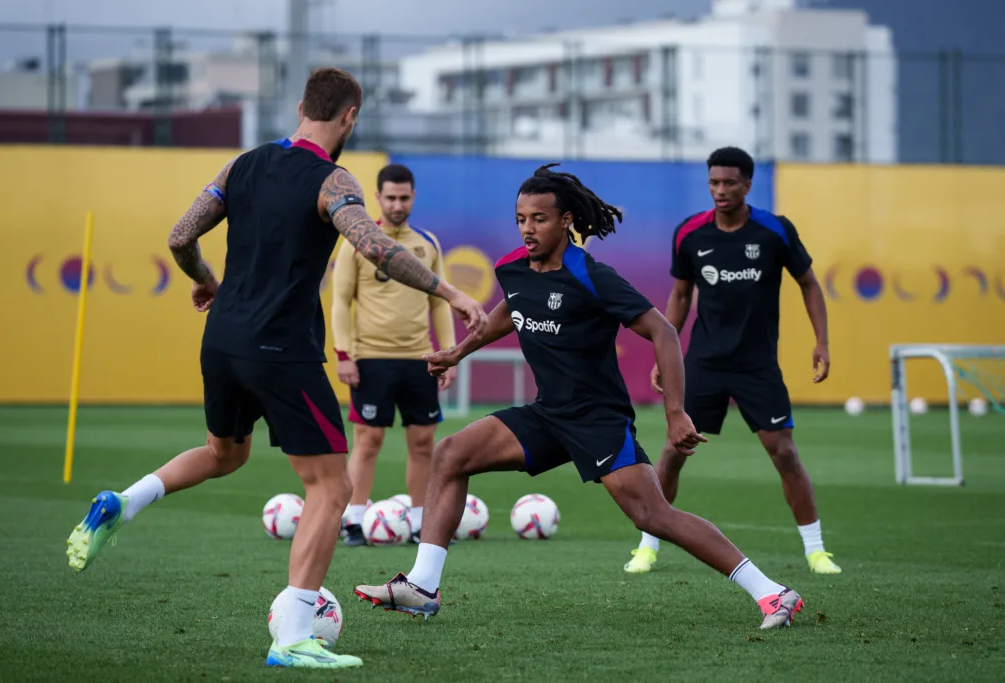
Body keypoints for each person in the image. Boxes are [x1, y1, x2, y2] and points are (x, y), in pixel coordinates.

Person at [64, 67, 487, 670]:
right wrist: (451, 293)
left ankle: (122, 502)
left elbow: (181, 236)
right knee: (332, 486)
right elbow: (375, 247)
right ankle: (291, 636)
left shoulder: (241, 165)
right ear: (349, 118)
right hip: (281, 349)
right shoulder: (332, 179)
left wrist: (208, 283)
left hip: (223, 339)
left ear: (299, 107)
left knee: (224, 454)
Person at [353, 163, 804, 631]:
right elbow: (513, 308)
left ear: (566, 220)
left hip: (597, 420)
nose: (528, 229)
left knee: (652, 515)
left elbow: (664, 332)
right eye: (521, 219)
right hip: (548, 414)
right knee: (450, 454)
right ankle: (423, 587)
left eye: (539, 219)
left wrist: (675, 413)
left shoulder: (591, 275)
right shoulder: (511, 267)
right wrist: (460, 352)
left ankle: (773, 592)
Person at [623, 146, 840, 576]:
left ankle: (816, 551)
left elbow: (809, 284)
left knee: (783, 453)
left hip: (758, 364)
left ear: (747, 184)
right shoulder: (690, 234)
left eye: (728, 183)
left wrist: (822, 342)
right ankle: (647, 545)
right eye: (713, 183)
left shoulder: (774, 231)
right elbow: (681, 296)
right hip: (704, 362)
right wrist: (666, 353)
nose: (720, 191)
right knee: (673, 450)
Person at [332, 163, 457, 546]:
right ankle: (354, 520)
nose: (397, 204)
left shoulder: (427, 244)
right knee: (367, 442)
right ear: (378, 197)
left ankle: (422, 523)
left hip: (420, 359)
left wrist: (448, 352)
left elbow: (439, 302)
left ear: (413, 197)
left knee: (423, 443)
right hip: (370, 359)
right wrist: (343, 354)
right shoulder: (357, 241)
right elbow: (340, 300)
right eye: (391, 197)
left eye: (404, 198)